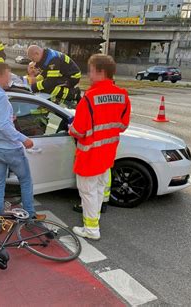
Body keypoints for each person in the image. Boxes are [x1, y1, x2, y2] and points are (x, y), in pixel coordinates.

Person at [0, 63, 46, 233]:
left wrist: (2, 122)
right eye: (8, 75)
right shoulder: (1, 98)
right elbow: (3, 125)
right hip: (10, 149)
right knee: (26, 181)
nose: (10, 78)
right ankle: (30, 217)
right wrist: (23, 139)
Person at [68, 54, 131, 240]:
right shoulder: (122, 95)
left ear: (100, 71)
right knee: (96, 190)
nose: (89, 74)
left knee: (87, 193)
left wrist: (71, 128)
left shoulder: (89, 98)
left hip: (89, 155)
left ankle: (91, 230)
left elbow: (79, 131)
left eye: (91, 70)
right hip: (107, 153)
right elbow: (123, 126)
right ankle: (94, 221)